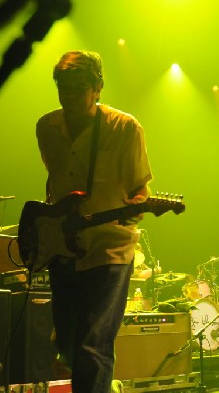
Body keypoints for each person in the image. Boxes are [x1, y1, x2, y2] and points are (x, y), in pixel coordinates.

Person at [36, 50, 152, 392]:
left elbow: (140, 190)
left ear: (98, 87)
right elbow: (56, 185)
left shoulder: (125, 128)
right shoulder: (46, 127)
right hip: (63, 249)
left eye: (78, 87)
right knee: (69, 346)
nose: (68, 94)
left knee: (93, 344)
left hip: (108, 250)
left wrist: (137, 205)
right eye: (62, 86)